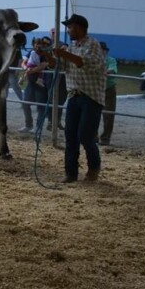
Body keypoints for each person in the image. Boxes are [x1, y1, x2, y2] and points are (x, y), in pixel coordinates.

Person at [42, 14, 106, 183]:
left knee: (85, 135)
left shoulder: (93, 44)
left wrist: (63, 53)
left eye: (70, 27)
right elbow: (57, 65)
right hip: (74, 96)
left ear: (79, 27)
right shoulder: (70, 46)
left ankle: (94, 168)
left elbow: (85, 63)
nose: (68, 30)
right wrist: (47, 55)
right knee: (71, 135)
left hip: (91, 97)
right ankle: (71, 173)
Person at [20, 37, 50, 133]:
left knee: (40, 105)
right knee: (25, 103)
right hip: (30, 81)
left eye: (40, 43)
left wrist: (29, 71)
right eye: (36, 44)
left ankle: (38, 127)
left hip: (41, 83)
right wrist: (26, 68)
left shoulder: (45, 54)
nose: (38, 45)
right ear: (33, 45)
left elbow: (43, 65)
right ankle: (28, 125)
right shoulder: (31, 52)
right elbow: (23, 63)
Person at [99, 42, 117, 145]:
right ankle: (93, 137)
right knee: (92, 113)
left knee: (108, 114)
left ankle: (105, 138)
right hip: (96, 88)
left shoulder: (111, 60)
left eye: (102, 50)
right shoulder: (93, 60)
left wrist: (104, 72)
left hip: (108, 88)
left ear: (105, 51)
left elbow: (113, 70)